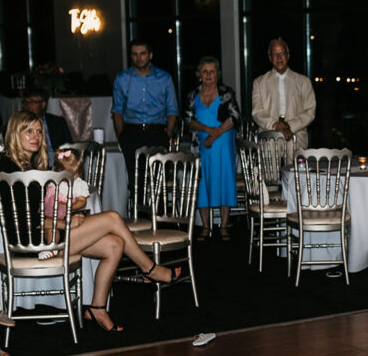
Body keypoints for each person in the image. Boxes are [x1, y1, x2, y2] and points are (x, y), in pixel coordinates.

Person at [0, 111, 181, 335]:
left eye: (39, 131)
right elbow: (22, 220)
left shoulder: (29, 165)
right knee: (113, 218)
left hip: (46, 236)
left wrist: (63, 219)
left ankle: (97, 308)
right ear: (15, 133)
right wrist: (64, 223)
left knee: (115, 244)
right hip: (32, 245)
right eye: (29, 131)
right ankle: (150, 269)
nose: (36, 136)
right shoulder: (7, 168)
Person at [112, 39, 179, 196]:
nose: (139, 58)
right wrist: (122, 136)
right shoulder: (122, 79)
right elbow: (117, 111)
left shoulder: (164, 78)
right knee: (136, 183)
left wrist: (167, 135)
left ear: (150, 55)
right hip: (131, 133)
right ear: (131, 56)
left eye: (142, 54)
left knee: (159, 181)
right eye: (135, 54)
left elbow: (172, 110)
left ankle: (159, 218)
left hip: (157, 133)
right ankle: (139, 218)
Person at [184, 57, 239, 242]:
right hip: (200, 145)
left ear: (218, 74)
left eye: (212, 71)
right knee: (202, 183)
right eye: (205, 71)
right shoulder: (192, 95)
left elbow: (234, 117)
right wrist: (208, 131)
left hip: (223, 143)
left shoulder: (226, 92)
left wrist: (214, 135)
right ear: (199, 74)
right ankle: (206, 226)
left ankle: (223, 225)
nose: (208, 75)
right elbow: (188, 120)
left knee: (224, 180)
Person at [251, 39, 316, 150]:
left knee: (294, 167)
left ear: (288, 55)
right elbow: (257, 112)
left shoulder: (303, 81)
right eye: (275, 54)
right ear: (270, 57)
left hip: (296, 134)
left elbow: (310, 111)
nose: (279, 58)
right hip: (269, 135)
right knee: (269, 167)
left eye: (282, 53)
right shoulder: (259, 82)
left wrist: (289, 126)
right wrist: (276, 126)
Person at [22, 86, 72, 166]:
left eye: (32, 102)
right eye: (25, 102)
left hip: (58, 166)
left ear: (43, 104)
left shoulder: (57, 122)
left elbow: (69, 147)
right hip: (33, 168)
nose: (27, 106)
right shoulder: (19, 125)